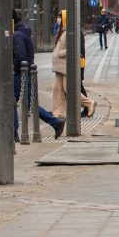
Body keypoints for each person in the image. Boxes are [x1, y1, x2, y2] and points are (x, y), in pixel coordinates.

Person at [12, 11, 64, 140]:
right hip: (27, 73)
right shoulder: (22, 32)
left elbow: (20, 57)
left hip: (21, 74)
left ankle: (13, 134)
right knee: (29, 102)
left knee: (13, 101)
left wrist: (15, 69)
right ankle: (53, 122)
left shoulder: (17, 35)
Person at [52, 13, 95, 119]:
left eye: (59, 18)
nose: (57, 19)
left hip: (65, 65)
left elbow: (74, 47)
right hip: (59, 66)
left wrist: (61, 53)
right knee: (57, 89)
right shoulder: (62, 31)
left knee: (69, 89)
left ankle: (88, 103)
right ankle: (58, 111)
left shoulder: (69, 32)